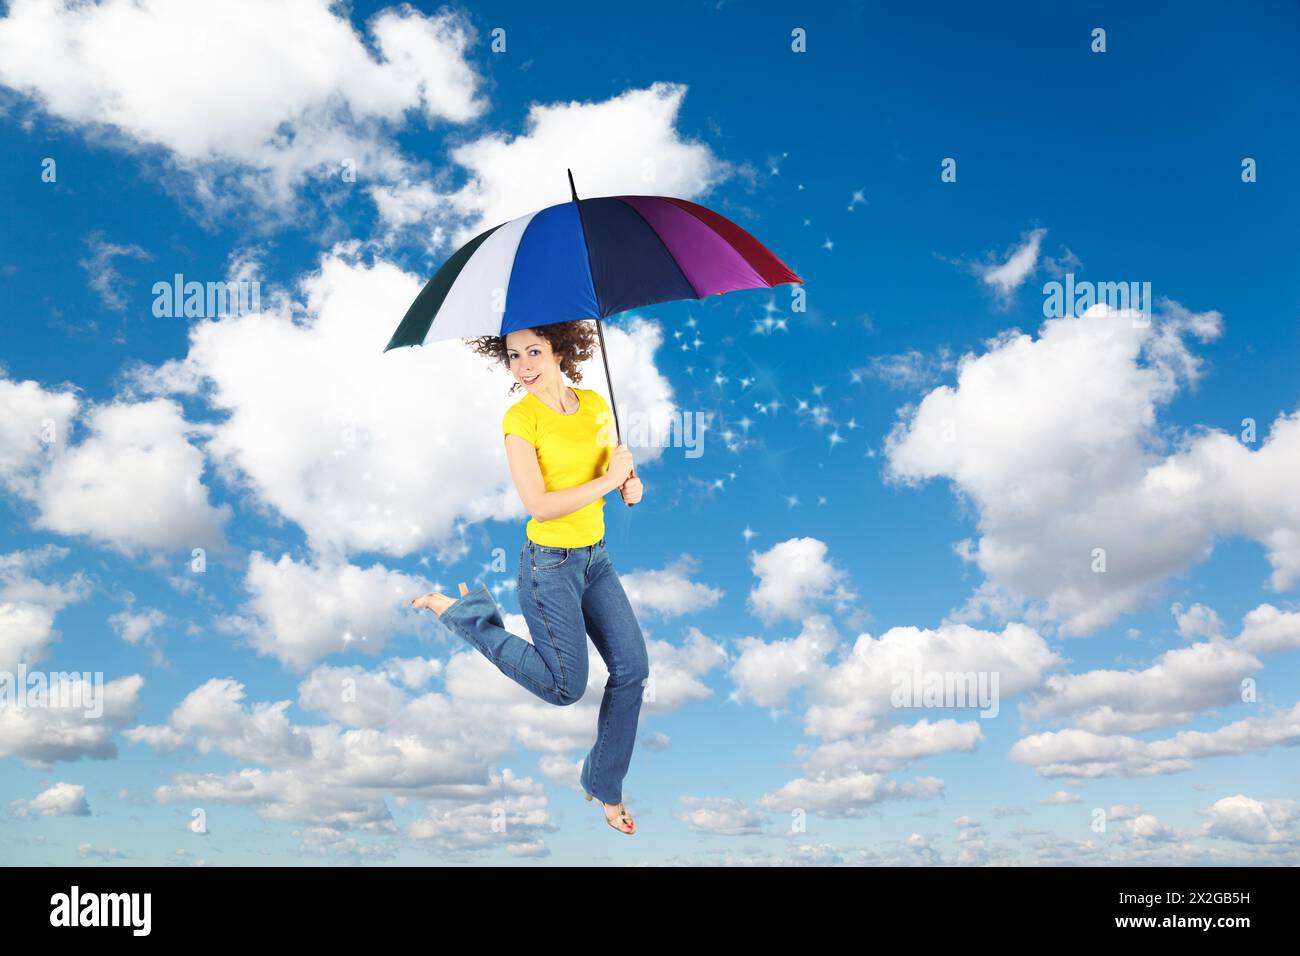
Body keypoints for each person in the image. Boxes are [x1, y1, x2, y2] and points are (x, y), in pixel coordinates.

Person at [410, 321, 648, 835]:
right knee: (566, 688)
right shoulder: (520, 419)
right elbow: (539, 505)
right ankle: (463, 616)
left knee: (632, 669)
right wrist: (609, 481)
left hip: (595, 559)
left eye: (534, 351)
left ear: (561, 351)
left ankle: (604, 785)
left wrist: (631, 484)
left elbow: (612, 474)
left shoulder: (596, 407)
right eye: (513, 355)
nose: (523, 366)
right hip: (549, 567)